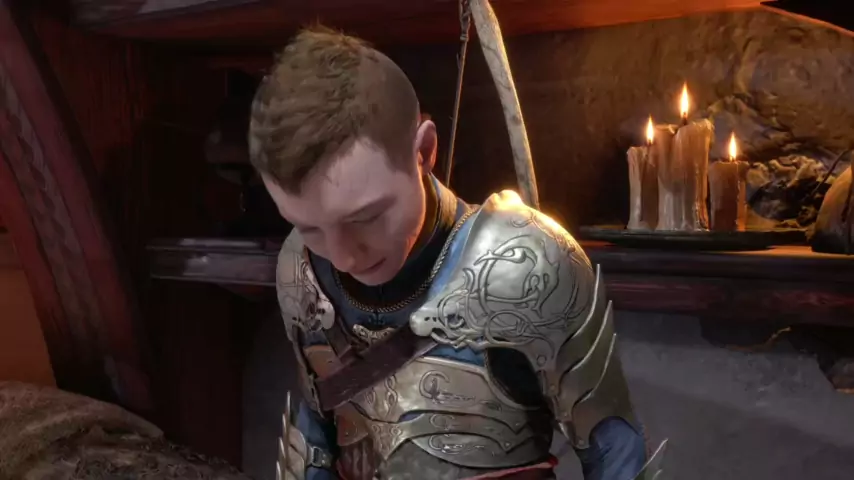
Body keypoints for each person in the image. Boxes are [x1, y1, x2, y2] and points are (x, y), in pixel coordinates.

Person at [248, 26, 666, 480]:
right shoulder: (301, 267)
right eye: (309, 227)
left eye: (366, 217)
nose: (343, 257)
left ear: (424, 151)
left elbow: (616, 454)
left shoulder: (526, 264)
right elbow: (316, 432)